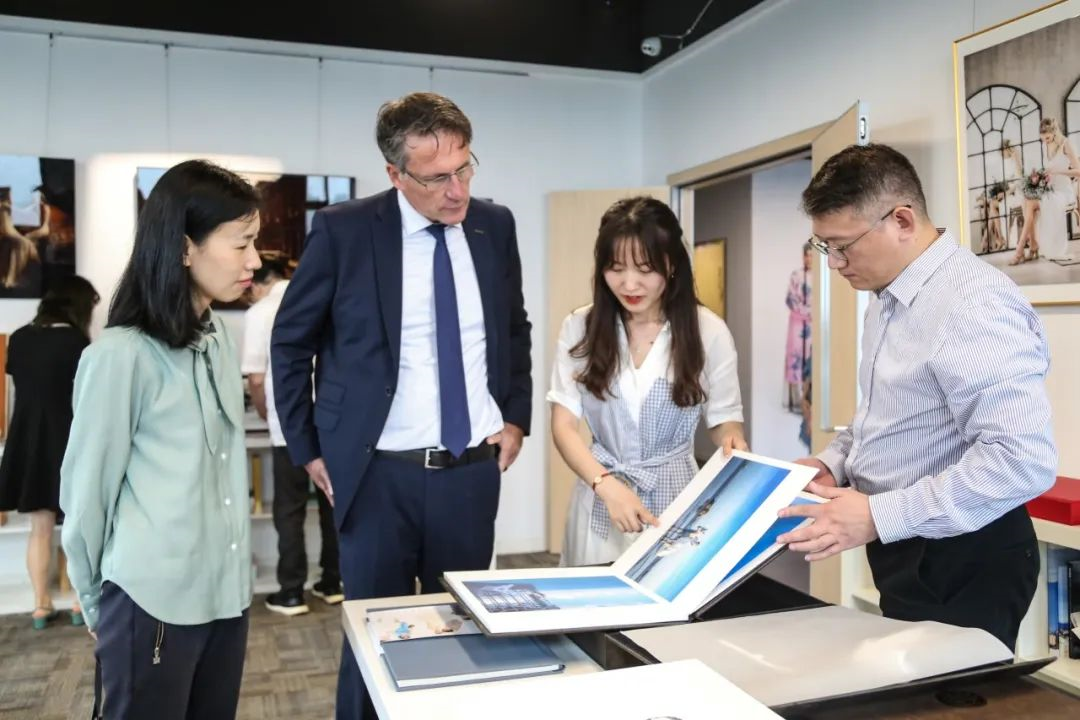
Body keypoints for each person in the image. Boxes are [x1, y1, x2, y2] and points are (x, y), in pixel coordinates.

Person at [271, 91, 532, 719]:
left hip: (470, 473)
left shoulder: (494, 226)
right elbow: (291, 342)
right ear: (395, 173)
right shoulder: (345, 230)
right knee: (374, 643)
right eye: (436, 178)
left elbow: (513, 327)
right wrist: (308, 449)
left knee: (468, 639)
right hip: (376, 475)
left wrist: (515, 417)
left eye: (465, 168)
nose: (457, 190)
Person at [778, 143, 1057, 651]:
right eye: (825, 247)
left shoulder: (972, 304)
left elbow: (1021, 462)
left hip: (965, 557)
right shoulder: (886, 297)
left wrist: (878, 515)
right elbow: (883, 418)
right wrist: (832, 465)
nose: (835, 263)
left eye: (843, 245)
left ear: (902, 220)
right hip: (905, 543)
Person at [60, 159, 262, 718]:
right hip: (151, 603)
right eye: (241, 243)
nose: (254, 260)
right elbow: (86, 494)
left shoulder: (218, 338)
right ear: (183, 248)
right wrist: (98, 604)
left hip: (226, 597)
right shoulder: (120, 356)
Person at [548, 196, 746, 567]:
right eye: (615, 268)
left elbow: (724, 419)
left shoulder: (708, 330)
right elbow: (563, 426)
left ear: (671, 264)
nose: (629, 283)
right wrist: (605, 485)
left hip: (677, 497)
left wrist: (733, 443)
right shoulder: (580, 327)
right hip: (601, 494)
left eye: (644, 268)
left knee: (669, 591)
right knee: (595, 596)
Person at [240, 255, 341, 616]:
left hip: (290, 423)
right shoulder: (319, 297)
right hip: (331, 418)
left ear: (256, 284)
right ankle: (333, 582)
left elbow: (256, 379)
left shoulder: (260, 312)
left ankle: (291, 592)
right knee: (332, 501)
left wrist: (267, 414)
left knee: (289, 508)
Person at [0, 275, 98, 629]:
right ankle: (79, 602)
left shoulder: (19, 338)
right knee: (78, 526)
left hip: (27, 439)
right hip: (67, 436)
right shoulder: (77, 342)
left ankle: (40, 605)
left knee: (39, 528)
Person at [784, 242, 812, 409]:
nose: (809, 259)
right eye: (806, 255)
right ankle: (795, 399)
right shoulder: (796, 275)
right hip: (797, 323)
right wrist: (806, 311)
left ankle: (809, 399)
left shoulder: (820, 277)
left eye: (812, 255)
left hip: (813, 324)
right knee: (796, 356)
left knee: (810, 356)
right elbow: (791, 299)